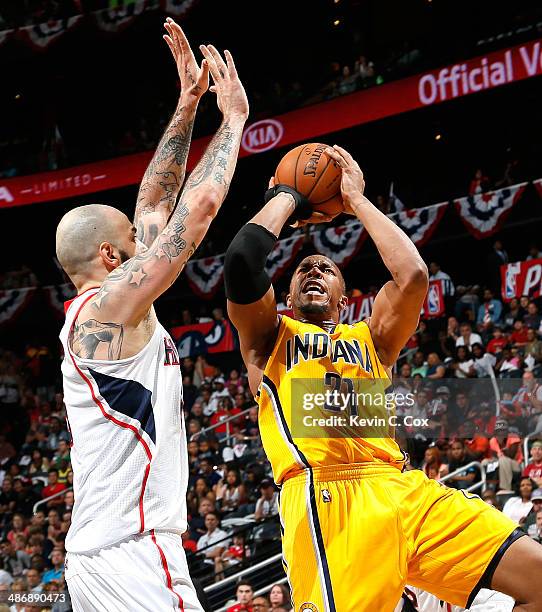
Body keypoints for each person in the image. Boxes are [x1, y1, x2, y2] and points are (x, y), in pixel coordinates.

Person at [223, 145, 542, 611]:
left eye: (325, 269)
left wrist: (355, 200)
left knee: (536, 579)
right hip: (326, 496)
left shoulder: (372, 339)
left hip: (401, 487)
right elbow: (241, 262)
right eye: (303, 270)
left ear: (345, 300)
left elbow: (412, 274)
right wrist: (289, 195)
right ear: (285, 295)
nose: (314, 270)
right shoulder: (268, 338)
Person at [55, 20, 249, 611]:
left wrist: (187, 106)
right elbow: (199, 208)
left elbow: (156, 203)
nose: (149, 246)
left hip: (101, 552)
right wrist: (234, 119)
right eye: (136, 247)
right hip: (133, 552)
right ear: (111, 258)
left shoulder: (109, 307)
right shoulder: (107, 308)